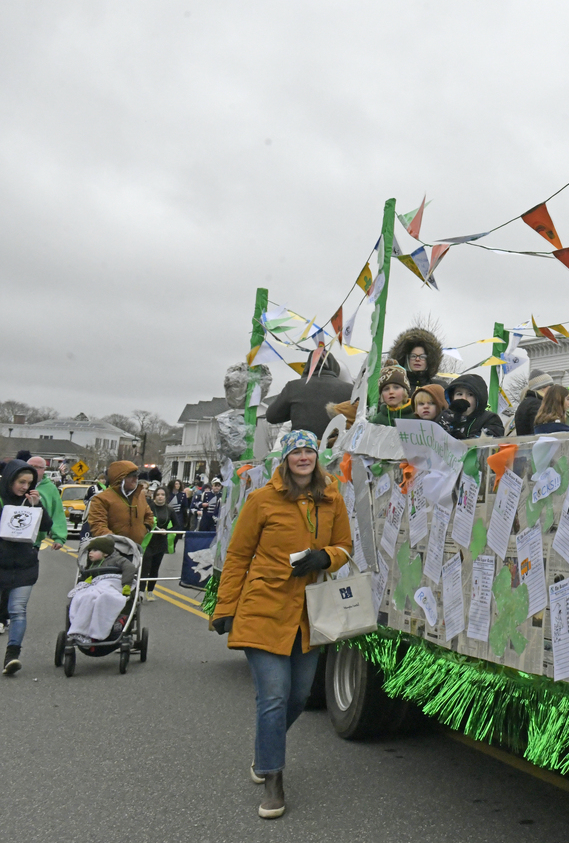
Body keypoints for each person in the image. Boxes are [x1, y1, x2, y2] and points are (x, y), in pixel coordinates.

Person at [212, 430, 353, 819]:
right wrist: (226, 607)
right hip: (264, 607)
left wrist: (326, 558)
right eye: (297, 452)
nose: (304, 457)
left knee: (298, 697)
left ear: (316, 457)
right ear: (286, 459)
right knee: (273, 696)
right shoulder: (262, 500)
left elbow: (345, 546)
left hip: (308, 614)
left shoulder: (332, 498)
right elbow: (238, 554)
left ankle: (263, 753)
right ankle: (273, 779)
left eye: (310, 451)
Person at [1, 459, 65, 674]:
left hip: (24, 564)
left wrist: (38, 506)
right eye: (21, 482)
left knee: (18, 610)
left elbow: (46, 526)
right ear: (10, 479)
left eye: (29, 483)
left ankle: (12, 656)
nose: (24, 487)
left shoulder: (30, 501)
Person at [67, 535, 137, 642]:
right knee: (87, 597)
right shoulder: (93, 565)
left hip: (113, 583)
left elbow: (130, 568)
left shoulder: (117, 559)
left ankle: (98, 631)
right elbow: (89, 578)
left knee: (105, 597)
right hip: (98, 585)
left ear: (105, 553)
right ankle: (81, 629)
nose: (90, 553)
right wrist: (86, 582)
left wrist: (126, 585)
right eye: (89, 550)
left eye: (95, 550)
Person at [264, 350, 350, 436]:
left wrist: (294, 412)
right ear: (335, 366)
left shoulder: (294, 387)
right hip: (337, 446)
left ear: (308, 366)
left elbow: (272, 417)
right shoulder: (350, 389)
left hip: (303, 446)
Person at [87, 461, 155, 547]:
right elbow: (98, 526)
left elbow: (149, 515)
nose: (135, 479)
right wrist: (117, 543)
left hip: (136, 549)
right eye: (131, 476)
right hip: (111, 551)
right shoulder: (101, 499)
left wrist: (144, 529)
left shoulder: (140, 495)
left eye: (136, 476)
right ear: (119, 479)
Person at [440, 374, 508, 439]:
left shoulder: (490, 419)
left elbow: (486, 442)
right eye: (459, 394)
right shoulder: (445, 417)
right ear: (452, 397)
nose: (464, 398)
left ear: (478, 399)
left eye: (470, 395)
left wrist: (461, 440)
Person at [141, 485, 175, 601]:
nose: (160, 497)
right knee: (145, 567)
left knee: (155, 568)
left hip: (161, 542)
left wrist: (167, 531)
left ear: (166, 497)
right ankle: (140, 590)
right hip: (149, 541)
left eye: (163, 495)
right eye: (158, 495)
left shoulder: (169, 510)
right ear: (154, 496)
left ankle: (150, 591)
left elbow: (178, 525)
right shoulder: (149, 507)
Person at [389, 326, 443, 392]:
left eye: (422, 357)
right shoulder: (395, 387)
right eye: (413, 356)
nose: (417, 359)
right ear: (406, 359)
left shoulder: (440, 387)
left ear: (429, 360)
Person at [27, 457, 64, 547]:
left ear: (44, 470)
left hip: (35, 542)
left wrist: (59, 538)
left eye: (37, 467)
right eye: (30, 466)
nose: (33, 470)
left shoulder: (50, 488)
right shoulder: (16, 484)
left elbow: (57, 513)